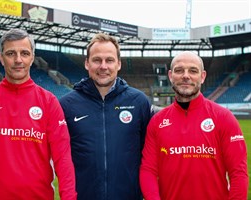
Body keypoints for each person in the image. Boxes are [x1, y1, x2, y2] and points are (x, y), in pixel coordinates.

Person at [0, 28, 77, 200]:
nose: (18, 60)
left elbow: (62, 158)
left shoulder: (49, 102)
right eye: (11, 53)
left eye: (24, 53)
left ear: (32, 57)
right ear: (1, 58)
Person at [140, 51, 249, 200]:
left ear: (202, 76)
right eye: (179, 70)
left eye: (193, 70)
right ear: (171, 76)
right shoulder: (157, 122)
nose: (186, 75)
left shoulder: (224, 118)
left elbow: (238, 173)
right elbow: (148, 170)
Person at [59, 32, 154, 200]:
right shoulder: (66, 105)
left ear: (118, 64)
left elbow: (149, 156)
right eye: (97, 60)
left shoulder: (139, 102)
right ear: (87, 63)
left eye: (109, 60)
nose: (103, 66)